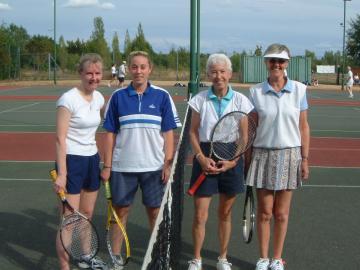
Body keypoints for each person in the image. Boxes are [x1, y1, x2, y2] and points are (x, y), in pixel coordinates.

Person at [101, 51, 181, 269]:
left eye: (142, 67)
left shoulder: (162, 96)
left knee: (155, 213)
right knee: (120, 213)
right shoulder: (117, 97)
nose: (138, 71)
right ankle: (115, 257)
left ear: (149, 69)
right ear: (129, 70)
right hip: (122, 167)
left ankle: (158, 257)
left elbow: (168, 133)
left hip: (154, 167)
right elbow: (109, 133)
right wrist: (107, 165)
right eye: (134, 67)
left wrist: (167, 163)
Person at [246, 44, 310, 270]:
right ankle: (263, 259)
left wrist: (305, 158)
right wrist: (246, 158)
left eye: (281, 61)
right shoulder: (255, 92)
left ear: (287, 64)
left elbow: (304, 127)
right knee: (264, 213)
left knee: (281, 214)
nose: (276, 64)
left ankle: (277, 259)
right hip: (262, 155)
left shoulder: (300, 90)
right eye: (272, 60)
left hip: (291, 155)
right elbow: (251, 129)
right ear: (266, 63)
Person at [187, 53, 254, 270]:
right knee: (200, 215)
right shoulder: (199, 100)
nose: (218, 76)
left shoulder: (241, 101)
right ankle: (196, 259)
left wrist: (234, 161)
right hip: (205, 156)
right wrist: (200, 157)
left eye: (222, 71)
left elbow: (244, 137)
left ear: (230, 74)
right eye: (214, 72)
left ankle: (222, 259)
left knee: (225, 213)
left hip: (231, 158)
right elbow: (193, 132)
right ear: (208, 74)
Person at [53, 53, 107, 270]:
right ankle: (65, 267)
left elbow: (110, 122)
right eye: (89, 73)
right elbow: (59, 138)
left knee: (86, 214)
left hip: (92, 160)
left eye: (97, 73)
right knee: (69, 220)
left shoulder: (99, 98)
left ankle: (86, 256)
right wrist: (63, 174)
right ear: (80, 74)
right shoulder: (68, 99)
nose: (93, 77)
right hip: (71, 161)